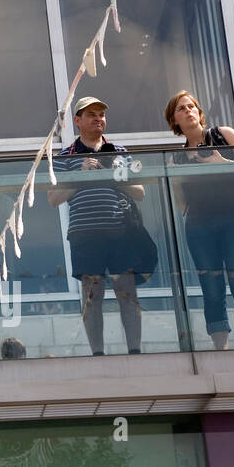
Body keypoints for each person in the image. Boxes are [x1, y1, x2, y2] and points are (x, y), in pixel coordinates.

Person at [164, 90, 234, 350]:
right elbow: (180, 199)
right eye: (181, 109)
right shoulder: (176, 156)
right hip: (199, 222)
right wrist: (180, 184)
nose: (188, 111)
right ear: (174, 120)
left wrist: (222, 161)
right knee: (211, 284)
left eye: (191, 106)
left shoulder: (223, 135)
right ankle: (221, 351)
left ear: (199, 112)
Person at [48, 97, 146, 356]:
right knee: (92, 297)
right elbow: (53, 199)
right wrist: (80, 175)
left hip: (120, 233)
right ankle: (97, 355)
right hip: (85, 236)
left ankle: (135, 351)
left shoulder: (120, 152)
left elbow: (140, 192)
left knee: (127, 292)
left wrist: (113, 175)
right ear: (77, 121)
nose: (98, 118)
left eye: (101, 114)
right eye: (91, 114)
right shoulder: (65, 156)